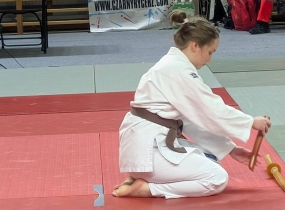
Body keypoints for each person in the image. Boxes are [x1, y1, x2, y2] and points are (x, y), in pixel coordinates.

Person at [113, 10, 271, 199]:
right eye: (210, 52)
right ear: (195, 46)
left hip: (145, 148)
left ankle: (142, 177)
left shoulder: (173, 65)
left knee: (211, 159)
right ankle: (149, 189)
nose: (210, 59)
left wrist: (230, 149)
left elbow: (190, 121)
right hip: (147, 151)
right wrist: (250, 122)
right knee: (216, 178)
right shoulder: (177, 70)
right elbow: (210, 109)